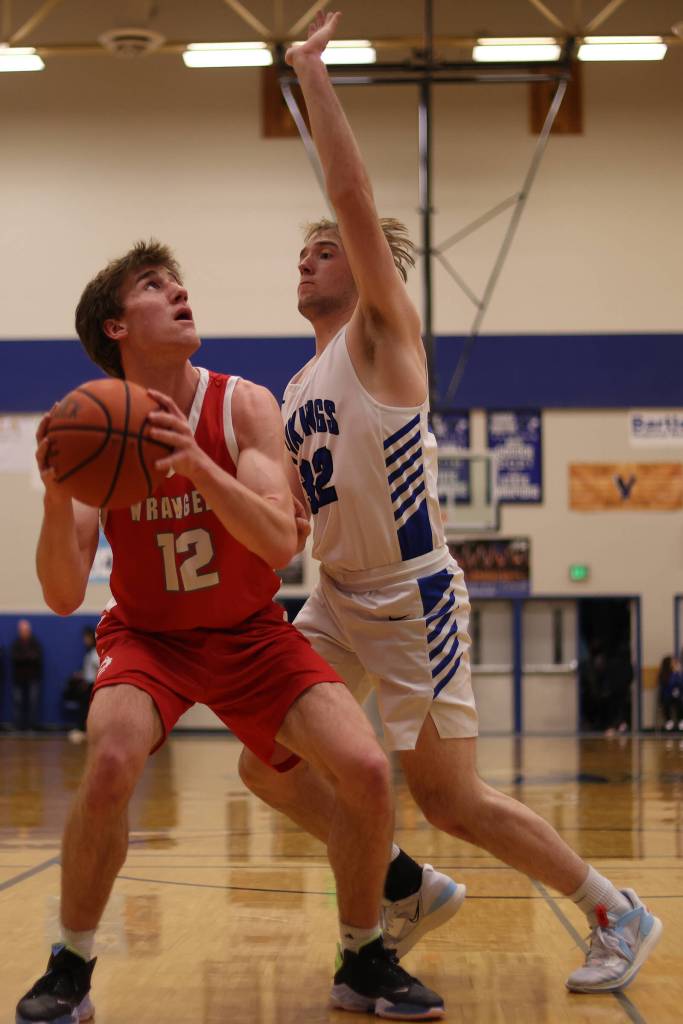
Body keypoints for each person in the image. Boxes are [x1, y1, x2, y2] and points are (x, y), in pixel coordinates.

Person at [238, 10, 663, 996]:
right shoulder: (300, 387)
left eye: (325, 251)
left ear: (366, 268)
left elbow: (349, 195)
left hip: (410, 596)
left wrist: (312, 77)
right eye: (300, 254)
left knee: (450, 797)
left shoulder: (382, 337)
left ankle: (613, 908)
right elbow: (302, 516)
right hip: (334, 593)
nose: (308, 260)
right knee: (265, 759)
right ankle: (402, 884)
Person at [16, 240, 444, 1023]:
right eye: (154, 285)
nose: (180, 291)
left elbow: (281, 543)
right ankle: (69, 964)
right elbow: (61, 592)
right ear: (116, 326)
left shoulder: (240, 404)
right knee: (110, 760)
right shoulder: (93, 426)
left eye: (178, 280)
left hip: (250, 633)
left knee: (365, 770)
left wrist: (197, 468)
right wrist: (52, 494)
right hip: (150, 637)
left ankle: (362, 956)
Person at [64, 626, 100, 744]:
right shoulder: (89, 653)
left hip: (92, 685)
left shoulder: (95, 653)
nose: (85, 640)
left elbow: (98, 670)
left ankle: (84, 730)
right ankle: (83, 729)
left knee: (86, 708)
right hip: (87, 684)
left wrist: (93, 685)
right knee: (83, 707)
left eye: (86, 638)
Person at [10, 618, 43, 732]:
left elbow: (37, 657)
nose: (24, 632)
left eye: (26, 630)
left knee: (33, 703)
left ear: (29, 631)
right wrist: (28, 657)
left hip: (33, 678)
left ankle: (31, 726)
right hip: (19, 679)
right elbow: (15, 658)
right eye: (22, 630)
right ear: (20, 631)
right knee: (18, 703)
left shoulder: (35, 643)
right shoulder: (16, 643)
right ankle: (18, 727)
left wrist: (25, 658)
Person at [660, 655, 683, 731]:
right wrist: (675, 673)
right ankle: (669, 721)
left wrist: (678, 673)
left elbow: (680, 684)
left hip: (678, 697)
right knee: (666, 703)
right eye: (672, 662)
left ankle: (681, 721)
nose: (674, 663)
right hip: (667, 696)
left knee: (680, 703)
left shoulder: (678, 674)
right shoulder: (665, 674)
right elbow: (670, 684)